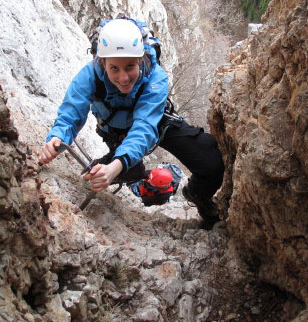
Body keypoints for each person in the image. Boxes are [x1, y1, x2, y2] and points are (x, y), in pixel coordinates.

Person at [38, 18, 224, 228]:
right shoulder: (90, 75)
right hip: (116, 131)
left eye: (130, 66)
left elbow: (144, 127)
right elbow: (72, 111)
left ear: (141, 58)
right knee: (131, 171)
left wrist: (116, 166)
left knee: (210, 160)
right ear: (102, 63)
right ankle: (112, 164)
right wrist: (57, 138)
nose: (124, 77)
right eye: (114, 68)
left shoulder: (156, 78)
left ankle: (197, 194)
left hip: (156, 122)